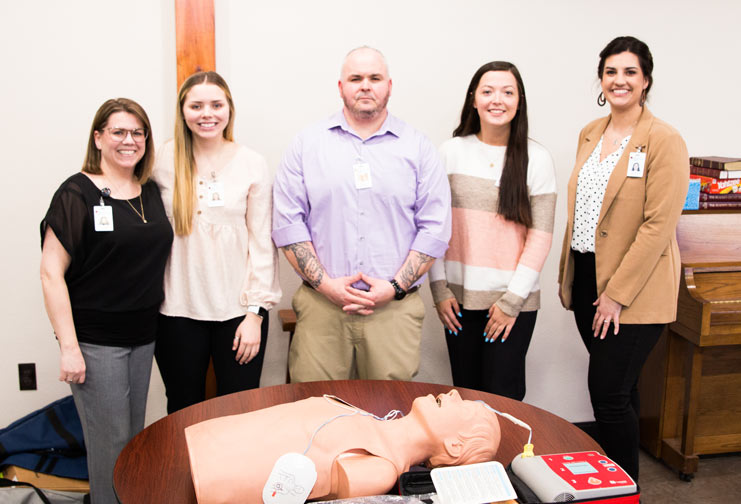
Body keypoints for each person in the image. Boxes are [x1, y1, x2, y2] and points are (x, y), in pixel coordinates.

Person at [272, 46, 451, 382]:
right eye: (355, 78)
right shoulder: (306, 145)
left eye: (374, 78)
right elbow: (288, 224)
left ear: (389, 85)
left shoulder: (418, 148)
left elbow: (435, 230)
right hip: (322, 310)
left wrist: (394, 286)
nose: (365, 85)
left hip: (393, 311)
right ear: (341, 87)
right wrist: (326, 285)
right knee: (315, 412)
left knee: (388, 417)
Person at [558, 36, 689, 480]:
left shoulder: (664, 140)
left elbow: (657, 227)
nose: (620, 80)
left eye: (630, 72)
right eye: (611, 71)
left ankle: (620, 491)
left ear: (646, 80)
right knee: (623, 390)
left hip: (633, 290)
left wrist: (615, 295)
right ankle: (622, 483)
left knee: (608, 395)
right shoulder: (590, 133)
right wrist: (578, 282)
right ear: (601, 79)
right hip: (586, 279)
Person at [40, 98, 173, 503]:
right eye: (118, 132)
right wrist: (69, 348)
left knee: (131, 440)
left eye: (137, 132)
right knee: (110, 446)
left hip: (142, 336)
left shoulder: (149, 190)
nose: (128, 141)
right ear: (98, 138)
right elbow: (50, 273)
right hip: (96, 343)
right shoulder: (76, 193)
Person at [153, 71, 280, 414]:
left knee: (239, 409)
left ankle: (234, 471)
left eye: (215, 104)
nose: (206, 113)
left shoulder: (252, 162)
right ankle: (185, 470)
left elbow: (262, 245)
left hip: (238, 313)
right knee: (182, 407)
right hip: (177, 309)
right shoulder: (162, 160)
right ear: (182, 111)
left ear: (229, 109)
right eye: (196, 105)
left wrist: (255, 314)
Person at [429, 61, 556, 401]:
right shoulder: (450, 152)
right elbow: (434, 228)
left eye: (507, 92)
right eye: (487, 91)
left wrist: (511, 302)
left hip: (511, 301)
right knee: (466, 398)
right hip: (457, 299)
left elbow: (540, 237)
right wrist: (439, 289)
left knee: (504, 397)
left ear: (520, 101)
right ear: (474, 100)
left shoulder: (537, 158)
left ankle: (510, 457)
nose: (496, 99)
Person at [184, 390, 501, 503]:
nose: (454, 393)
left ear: (455, 446)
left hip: (210, 476)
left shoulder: (380, 469)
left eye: (466, 408)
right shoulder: (371, 421)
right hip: (206, 443)